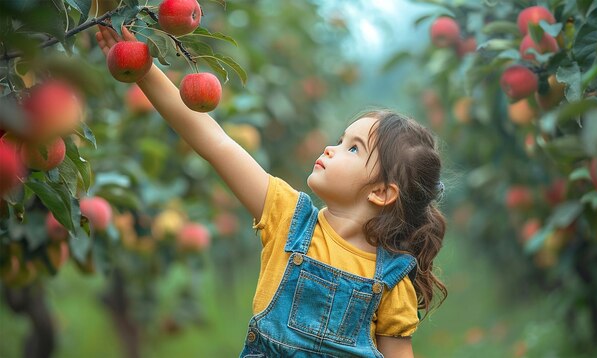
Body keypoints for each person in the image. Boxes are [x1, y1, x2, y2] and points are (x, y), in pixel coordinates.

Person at [96, 25, 447, 358]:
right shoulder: (286, 215)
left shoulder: (390, 281)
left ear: (383, 193)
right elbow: (216, 142)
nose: (331, 148)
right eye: (340, 140)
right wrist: (142, 70)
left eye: (353, 149)